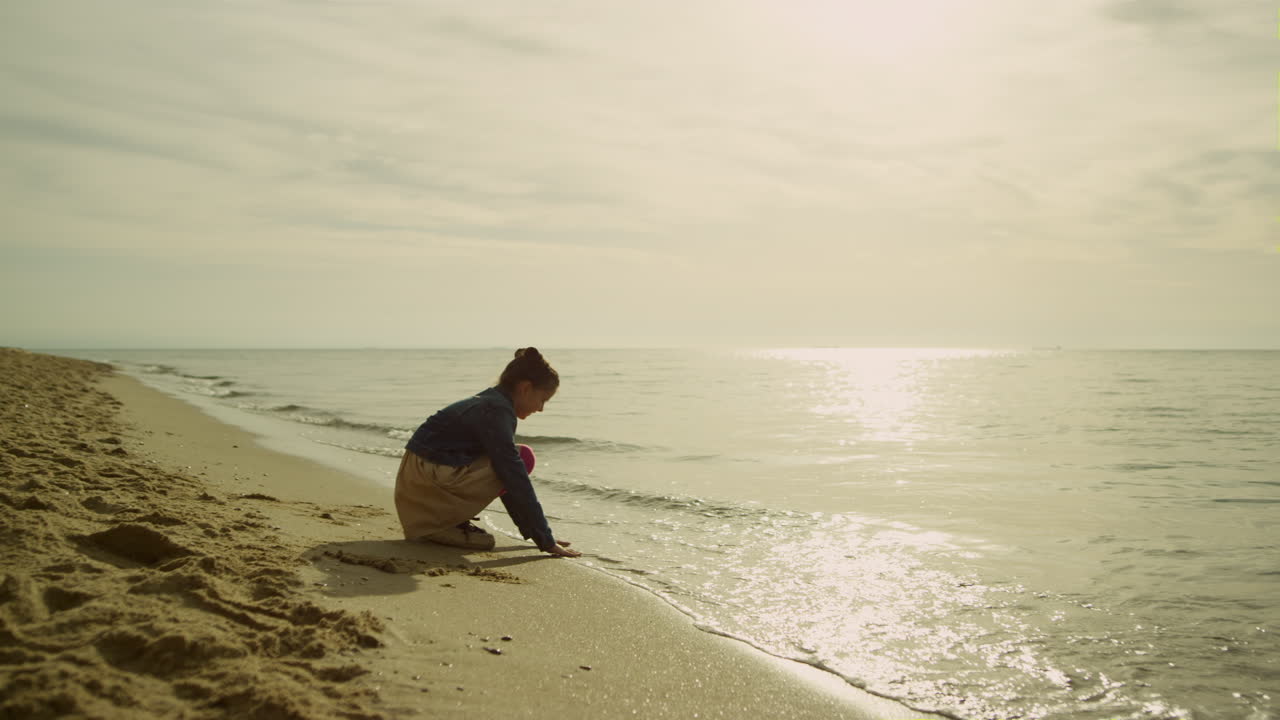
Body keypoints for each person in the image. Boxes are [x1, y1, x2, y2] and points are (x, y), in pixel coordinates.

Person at [394, 347, 581, 558]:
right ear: (525, 388)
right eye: (543, 400)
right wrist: (545, 540)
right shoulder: (496, 410)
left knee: (515, 459)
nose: (541, 409)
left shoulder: (491, 402)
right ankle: (438, 524)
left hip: (421, 482)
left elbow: (507, 476)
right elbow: (513, 476)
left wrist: (536, 533)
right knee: (522, 458)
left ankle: (441, 521)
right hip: (427, 483)